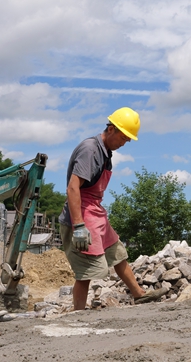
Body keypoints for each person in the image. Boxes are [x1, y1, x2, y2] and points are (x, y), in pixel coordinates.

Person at [58, 107, 149, 310]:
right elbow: (73, 188)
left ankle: (139, 294)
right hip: (81, 213)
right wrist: (79, 226)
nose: (124, 143)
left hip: (94, 210)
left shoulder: (105, 152)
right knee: (87, 270)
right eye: (123, 138)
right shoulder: (91, 150)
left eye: (127, 140)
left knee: (117, 252)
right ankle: (79, 313)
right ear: (111, 129)